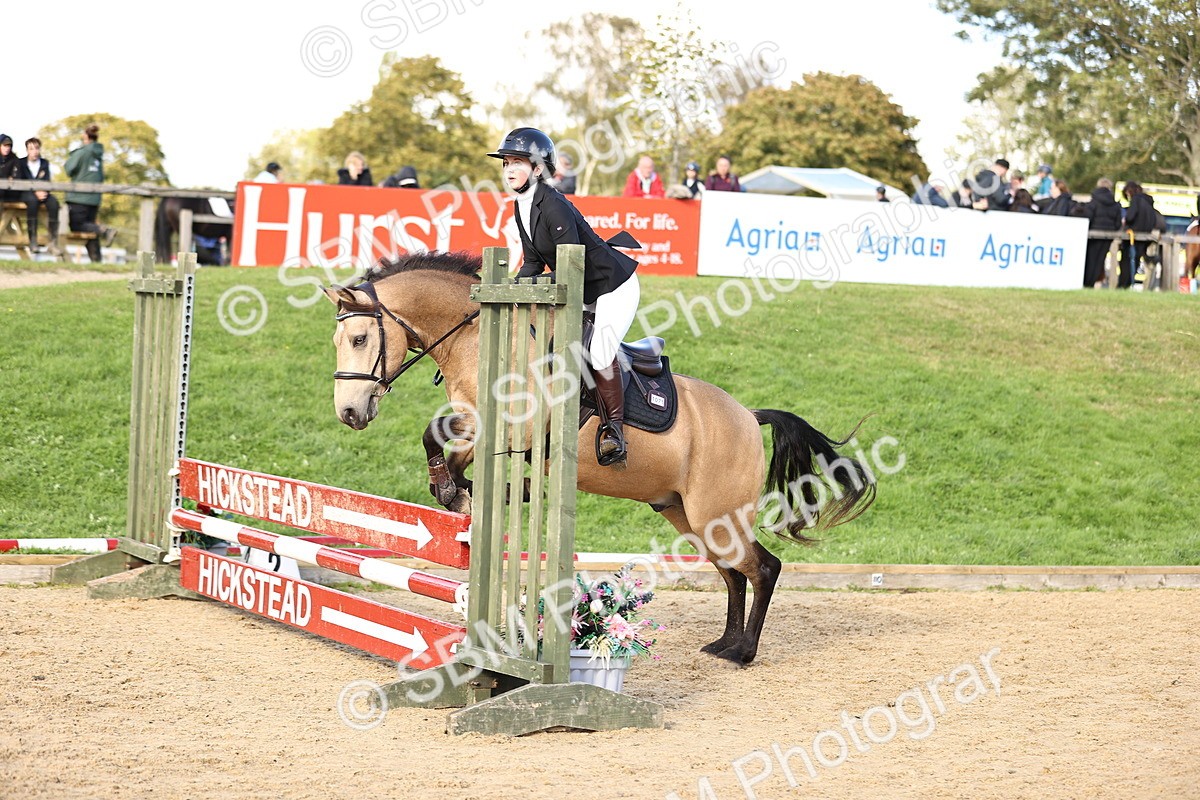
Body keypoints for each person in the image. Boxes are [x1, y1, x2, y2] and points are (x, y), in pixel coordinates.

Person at [489, 127, 640, 467]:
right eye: (506, 163)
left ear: (538, 168)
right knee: (558, 348)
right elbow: (531, 261)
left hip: (612, 286)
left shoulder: (554, 204)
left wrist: (534, 285)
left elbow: (572, 263)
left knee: (600, 353)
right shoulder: (520, 205)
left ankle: (614, 430)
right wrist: (508, 290)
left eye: (518, 163)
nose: (509, 169)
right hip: (582, 287)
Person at [63, 124, 113, 263]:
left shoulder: (82, 152)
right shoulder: (99, 155)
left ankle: (105, 230)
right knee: (90, 230)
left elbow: (69, 169)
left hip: (79, 197)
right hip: (95, 198)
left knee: (77, 226)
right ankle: (97, 262)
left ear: (85, 136)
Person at [14, 137, 60, 255]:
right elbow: (19, 181)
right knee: (33, 202)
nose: (34, 151)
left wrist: (43, 191)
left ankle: (53, 242)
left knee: (54, 203)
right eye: (31, 149)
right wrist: (35, 191)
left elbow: (47, 180)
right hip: (26, 193)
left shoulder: (44, 163)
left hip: (43, 192)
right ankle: (32, 241)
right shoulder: (21, 162)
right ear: (27, 150)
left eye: (37, 148)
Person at [1081, 177, 1123, 288]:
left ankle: (1086, 283)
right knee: (1100, 260)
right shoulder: (1115, 204)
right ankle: (1093, 282)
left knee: (1090, 259)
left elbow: (1088, 217)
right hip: (1107, 236)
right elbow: (1118, 224)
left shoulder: (1094, 201)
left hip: (1093, 236)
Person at [1120, 181, 1158, 289]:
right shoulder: (1148, 202)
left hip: (1133, 236)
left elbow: (1130, 216)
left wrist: (1125, 220)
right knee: (1135, 261)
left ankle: (1123, 285)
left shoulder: (1136, 200)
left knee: (1126, 261)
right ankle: (1128, 284)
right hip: (1145, 237)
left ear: (1129, 191)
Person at [0, 134, 18, 202]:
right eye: (5, 145)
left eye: (9, 146)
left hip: (9, 191)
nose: (7, 148)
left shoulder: (14, 159)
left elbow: (17, 175)